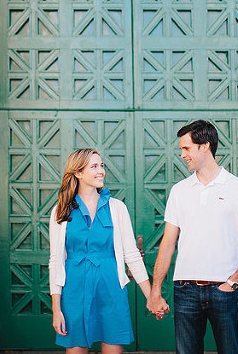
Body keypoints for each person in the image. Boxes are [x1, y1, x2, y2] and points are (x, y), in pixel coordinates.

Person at [146, 119, 238, 354]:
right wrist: (155, 291)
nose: (182, 155)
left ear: (205, 146)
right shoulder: (179, 191)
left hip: (223, 290)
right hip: (185, 290)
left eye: (186, 148)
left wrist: (233, 282)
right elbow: (168, 243)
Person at [49, 148, 158, 353]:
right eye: (94, 166)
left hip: (110, 290)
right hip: (73, 292)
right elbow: (55, 261)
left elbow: (131, 255)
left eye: (102, 165)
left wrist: (151, 296)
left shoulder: (117, 208)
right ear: (78, 173)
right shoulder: (60, 210)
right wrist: (56, 308)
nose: (101, 171)